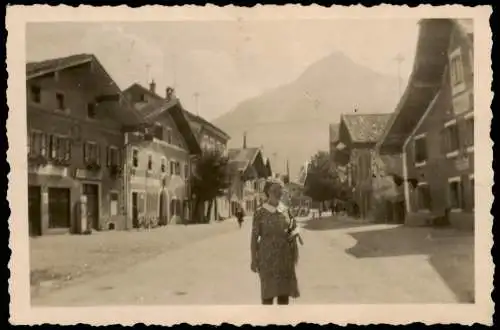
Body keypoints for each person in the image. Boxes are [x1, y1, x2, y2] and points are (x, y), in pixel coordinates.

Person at [250, 178, 300, 305]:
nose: (278, 193)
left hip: (285, 258)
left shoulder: (285, 210)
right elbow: (254, 238)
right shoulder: (260, 212)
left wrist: (294, 233)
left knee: (284, 296)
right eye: (274, 190)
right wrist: (253, 259)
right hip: (267, 259)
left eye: (280, 190)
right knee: (268, 295)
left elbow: (295, 226)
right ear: (267, 191)